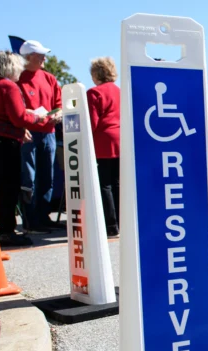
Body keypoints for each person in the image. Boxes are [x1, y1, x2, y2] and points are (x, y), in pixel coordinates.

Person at [0, 51, 48, 246]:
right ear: (11, 68)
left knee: (5, 187)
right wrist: (38, 117)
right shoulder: (8, 86)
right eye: (18, 68)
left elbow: (2, 115)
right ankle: (8, 231)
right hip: (4, 142)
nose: (20, 71)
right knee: (9, 187)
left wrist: (20, 128)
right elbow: (18, 118)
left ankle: (6, 229)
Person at [17, 39, 63, 233]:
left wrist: (59, 114)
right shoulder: (17, 78)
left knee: (47, 177)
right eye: (40, 55)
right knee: (29, 177)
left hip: (49, 132)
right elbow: (16, 107)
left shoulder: (50, 78)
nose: (45, 58)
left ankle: (43, 216)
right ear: (28, 57)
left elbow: (59, 103)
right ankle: (30, 220)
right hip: (28, 132)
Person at [87, 57, 121, 238]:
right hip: (121, 140)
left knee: (104, 184)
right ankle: (121, 222)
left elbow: (91, 123)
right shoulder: (120, 91)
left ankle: (110, 224)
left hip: (103, 142)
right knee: (117, 183)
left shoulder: (94, 93)